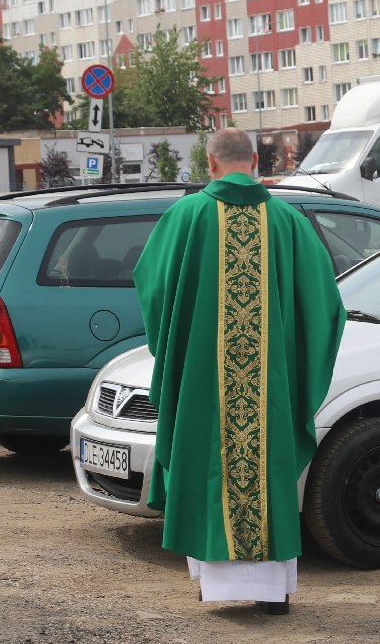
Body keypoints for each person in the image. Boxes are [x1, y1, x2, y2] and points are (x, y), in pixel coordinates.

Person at [132, 128, 345, 614]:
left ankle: (218, 584)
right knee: (267, 470)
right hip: (270, 386)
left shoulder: (186, 216)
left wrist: (178, 344)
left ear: (210, 164)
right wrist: (295, 355)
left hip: (204, 383)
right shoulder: (288, 222)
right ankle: (274, 592)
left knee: (208, 464)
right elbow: (325, 304)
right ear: (253, 161)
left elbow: (153, 287)